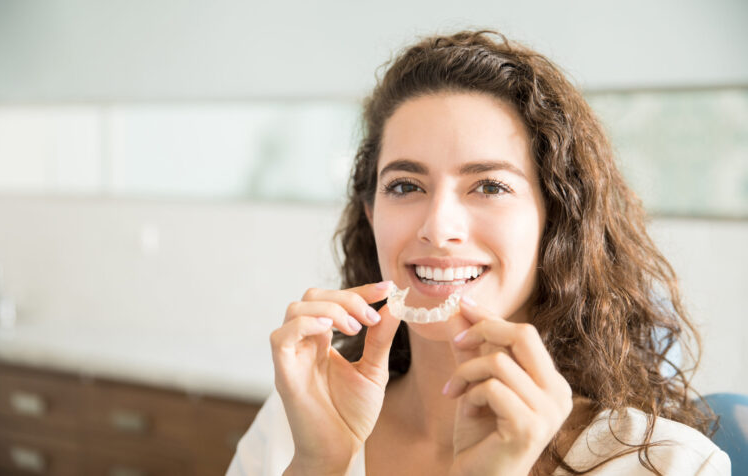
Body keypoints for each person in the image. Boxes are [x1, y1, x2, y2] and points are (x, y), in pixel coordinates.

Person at [227, 30, 731, 475]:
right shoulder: (297, 420)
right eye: (405, 186)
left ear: (556, 220)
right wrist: (319, 466)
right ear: (370, 212)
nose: (438, 228)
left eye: (488, 186)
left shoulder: (667, 464)